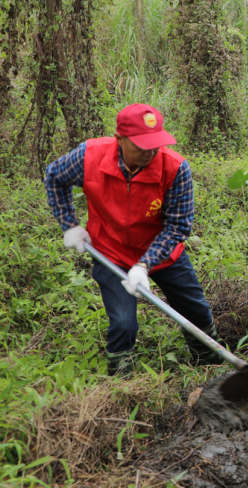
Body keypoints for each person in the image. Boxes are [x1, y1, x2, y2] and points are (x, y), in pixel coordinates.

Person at [45, 104, 221, 376]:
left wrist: (144, 265)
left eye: (155, 144)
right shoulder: (89, 156)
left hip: (162, 253)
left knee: (196, 311)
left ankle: (210, 363)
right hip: (110, 251)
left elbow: (178, 227)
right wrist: (70, 225)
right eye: (141, 146)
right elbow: (55, 177)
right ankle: (121, 378)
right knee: (123, 323)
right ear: (120, 139)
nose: (150, 152)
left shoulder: (175, 168)